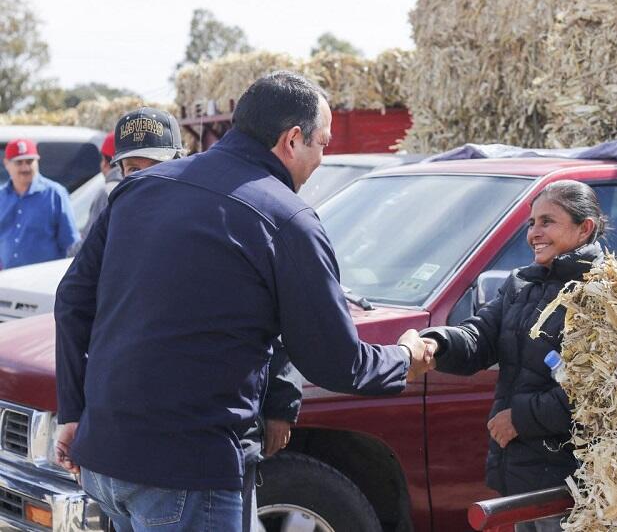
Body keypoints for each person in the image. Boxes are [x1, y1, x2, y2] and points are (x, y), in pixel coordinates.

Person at [54, 72, 430, 532]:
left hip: (104, 459)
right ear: (293, 140)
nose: (321, 159)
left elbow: (72, 301)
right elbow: (336, 362)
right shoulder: (286, 219)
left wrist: (73, 414)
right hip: (187, 472)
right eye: (323, 145)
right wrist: (405, 357)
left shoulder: (138, 191)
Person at [82, 106, 303, 532]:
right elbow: (81, 303)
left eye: (153, 165)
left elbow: (274, 310)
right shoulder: (115, 210)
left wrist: (282, 399)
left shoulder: (219, 207)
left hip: (208, 441)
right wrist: (81, 416)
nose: (141, 175)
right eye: (131, 166)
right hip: (139, 451)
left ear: (182, 158)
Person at [418, 180, 607, 532]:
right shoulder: (521, 283)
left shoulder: (602, 293)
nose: (534, 233)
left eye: (547, 221)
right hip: (523, 479)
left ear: (585, 228)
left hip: (570, 483)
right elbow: (479, 336)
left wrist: (521, 418)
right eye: (531, 223)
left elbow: (596, 392)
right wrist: (434, 345)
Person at [0, 138, 80, 269]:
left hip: (42, 281)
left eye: (30, 161)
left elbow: (71, 245)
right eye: (19, 162)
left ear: (37, 161)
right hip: (7, 281)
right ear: (6, 163)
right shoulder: (1, 196)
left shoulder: (55, 194)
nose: (25, 167)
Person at [80, 131, 123, 239]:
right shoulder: (149, 187)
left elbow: (88, 243)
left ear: (105, 162)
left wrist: (69, 253)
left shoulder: (107, 192)